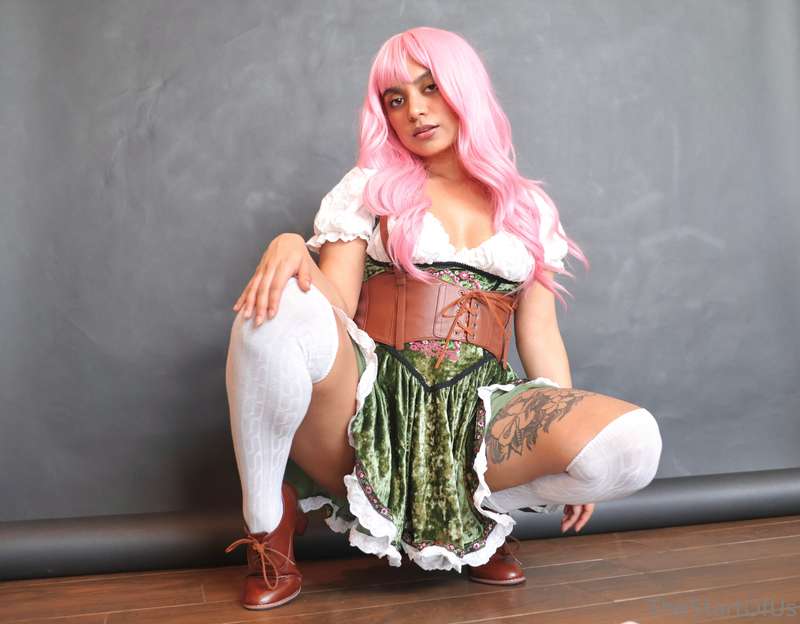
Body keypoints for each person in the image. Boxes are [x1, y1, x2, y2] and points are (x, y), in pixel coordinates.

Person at [222, 26, 663, 611]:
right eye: (396, 98)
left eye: (430, 87)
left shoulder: (528, 209)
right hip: (370, 402)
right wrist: (289, 247)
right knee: (278, 295)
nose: (415, 110)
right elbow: (333, 305)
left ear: (464, 88)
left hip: (477, 409)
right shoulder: (369, 188)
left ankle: (482, 517)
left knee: (631, 444)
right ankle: (265, 521)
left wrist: (566, 441)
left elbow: (539, 333)